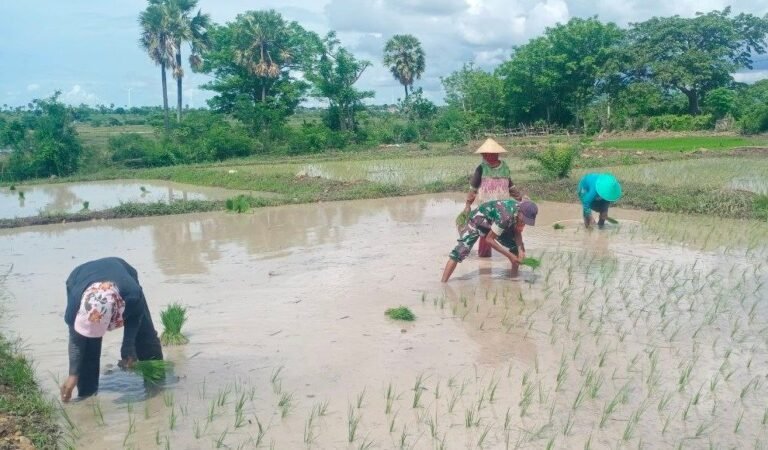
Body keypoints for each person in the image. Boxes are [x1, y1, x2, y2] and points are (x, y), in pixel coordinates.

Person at [60, 257, 163, 402]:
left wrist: (128, 347)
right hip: (78, 277)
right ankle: (87, 396)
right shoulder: (74, 307)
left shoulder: (132, 295)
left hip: (121, 272)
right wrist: (73, 374)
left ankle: (157, 385)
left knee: (145, 336)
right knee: (88, 346)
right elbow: (76, 341)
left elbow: (134, 319)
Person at [442, 198, 538, 282]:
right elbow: (489, 240)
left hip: (494, 223)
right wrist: (509, 256)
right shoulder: (506, 216)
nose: (524, 222)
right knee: (459, 252)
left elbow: (517, 231)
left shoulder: (521, 215)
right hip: (477, 221)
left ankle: (513, 280)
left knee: (516, 248)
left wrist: (520, 250)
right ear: (520, 212)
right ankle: (443, 284)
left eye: (526, 221)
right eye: (524, 219)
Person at [464, 138, 523, 258]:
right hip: (486, 208)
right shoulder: (481, 168)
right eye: (485, 154)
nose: (488, 156)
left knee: (506, 232)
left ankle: (514, 258)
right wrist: (468, 205)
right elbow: (473, 188)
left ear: (497, 154)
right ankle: (484, 260)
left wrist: (520, 199)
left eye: (491, 154)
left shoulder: (505, 167)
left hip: (503, 208)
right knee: (485, 233)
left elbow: (510, 184)